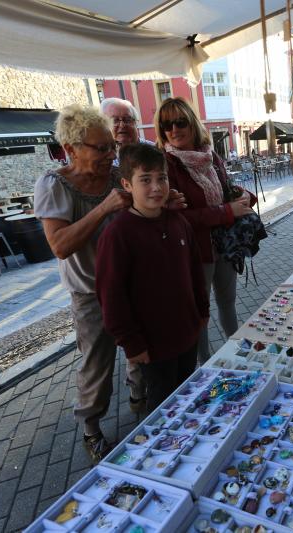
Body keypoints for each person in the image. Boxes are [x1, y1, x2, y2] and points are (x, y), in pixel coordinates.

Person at [34, 104, 149, 461]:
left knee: (140, 352)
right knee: (96, 365)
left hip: (129, 286)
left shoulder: (117, 176)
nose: (110, 154)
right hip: (90, 293)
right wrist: (103, 208)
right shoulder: (54, 185)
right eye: (101, 148)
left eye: (111, 147)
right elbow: (60, 246)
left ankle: (140, 399)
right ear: (72, 148)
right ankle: (91, 428)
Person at [96, 144, 208, 411]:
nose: (156, 187)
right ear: (127, 184)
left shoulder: (178, 222)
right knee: (162, 405)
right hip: (152, 346)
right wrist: (132, 345)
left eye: (162, 178)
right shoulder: (117, 236)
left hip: (187, 333)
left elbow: (195, 271)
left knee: (187, 394)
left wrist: (202, 311)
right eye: (145, 180)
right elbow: (111, 297)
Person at [154, 97, 255, 365]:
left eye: (180, 122)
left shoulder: (212, 156)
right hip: (194, 250)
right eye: (166, 125)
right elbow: (180, 218)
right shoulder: (165, 165)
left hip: (224, 242)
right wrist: (226, 212)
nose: (174, 129)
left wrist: (242, 196)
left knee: (228, 301)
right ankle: (206, 363)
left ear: (192, 122)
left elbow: (224, 192)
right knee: (200, 311)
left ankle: (238, 353)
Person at [100, 97, 154, 166]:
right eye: (115, 120)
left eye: (127, 119)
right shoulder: (101, 160)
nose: (122, 125)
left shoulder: (154, 151)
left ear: (136, 123)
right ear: (104, 125)